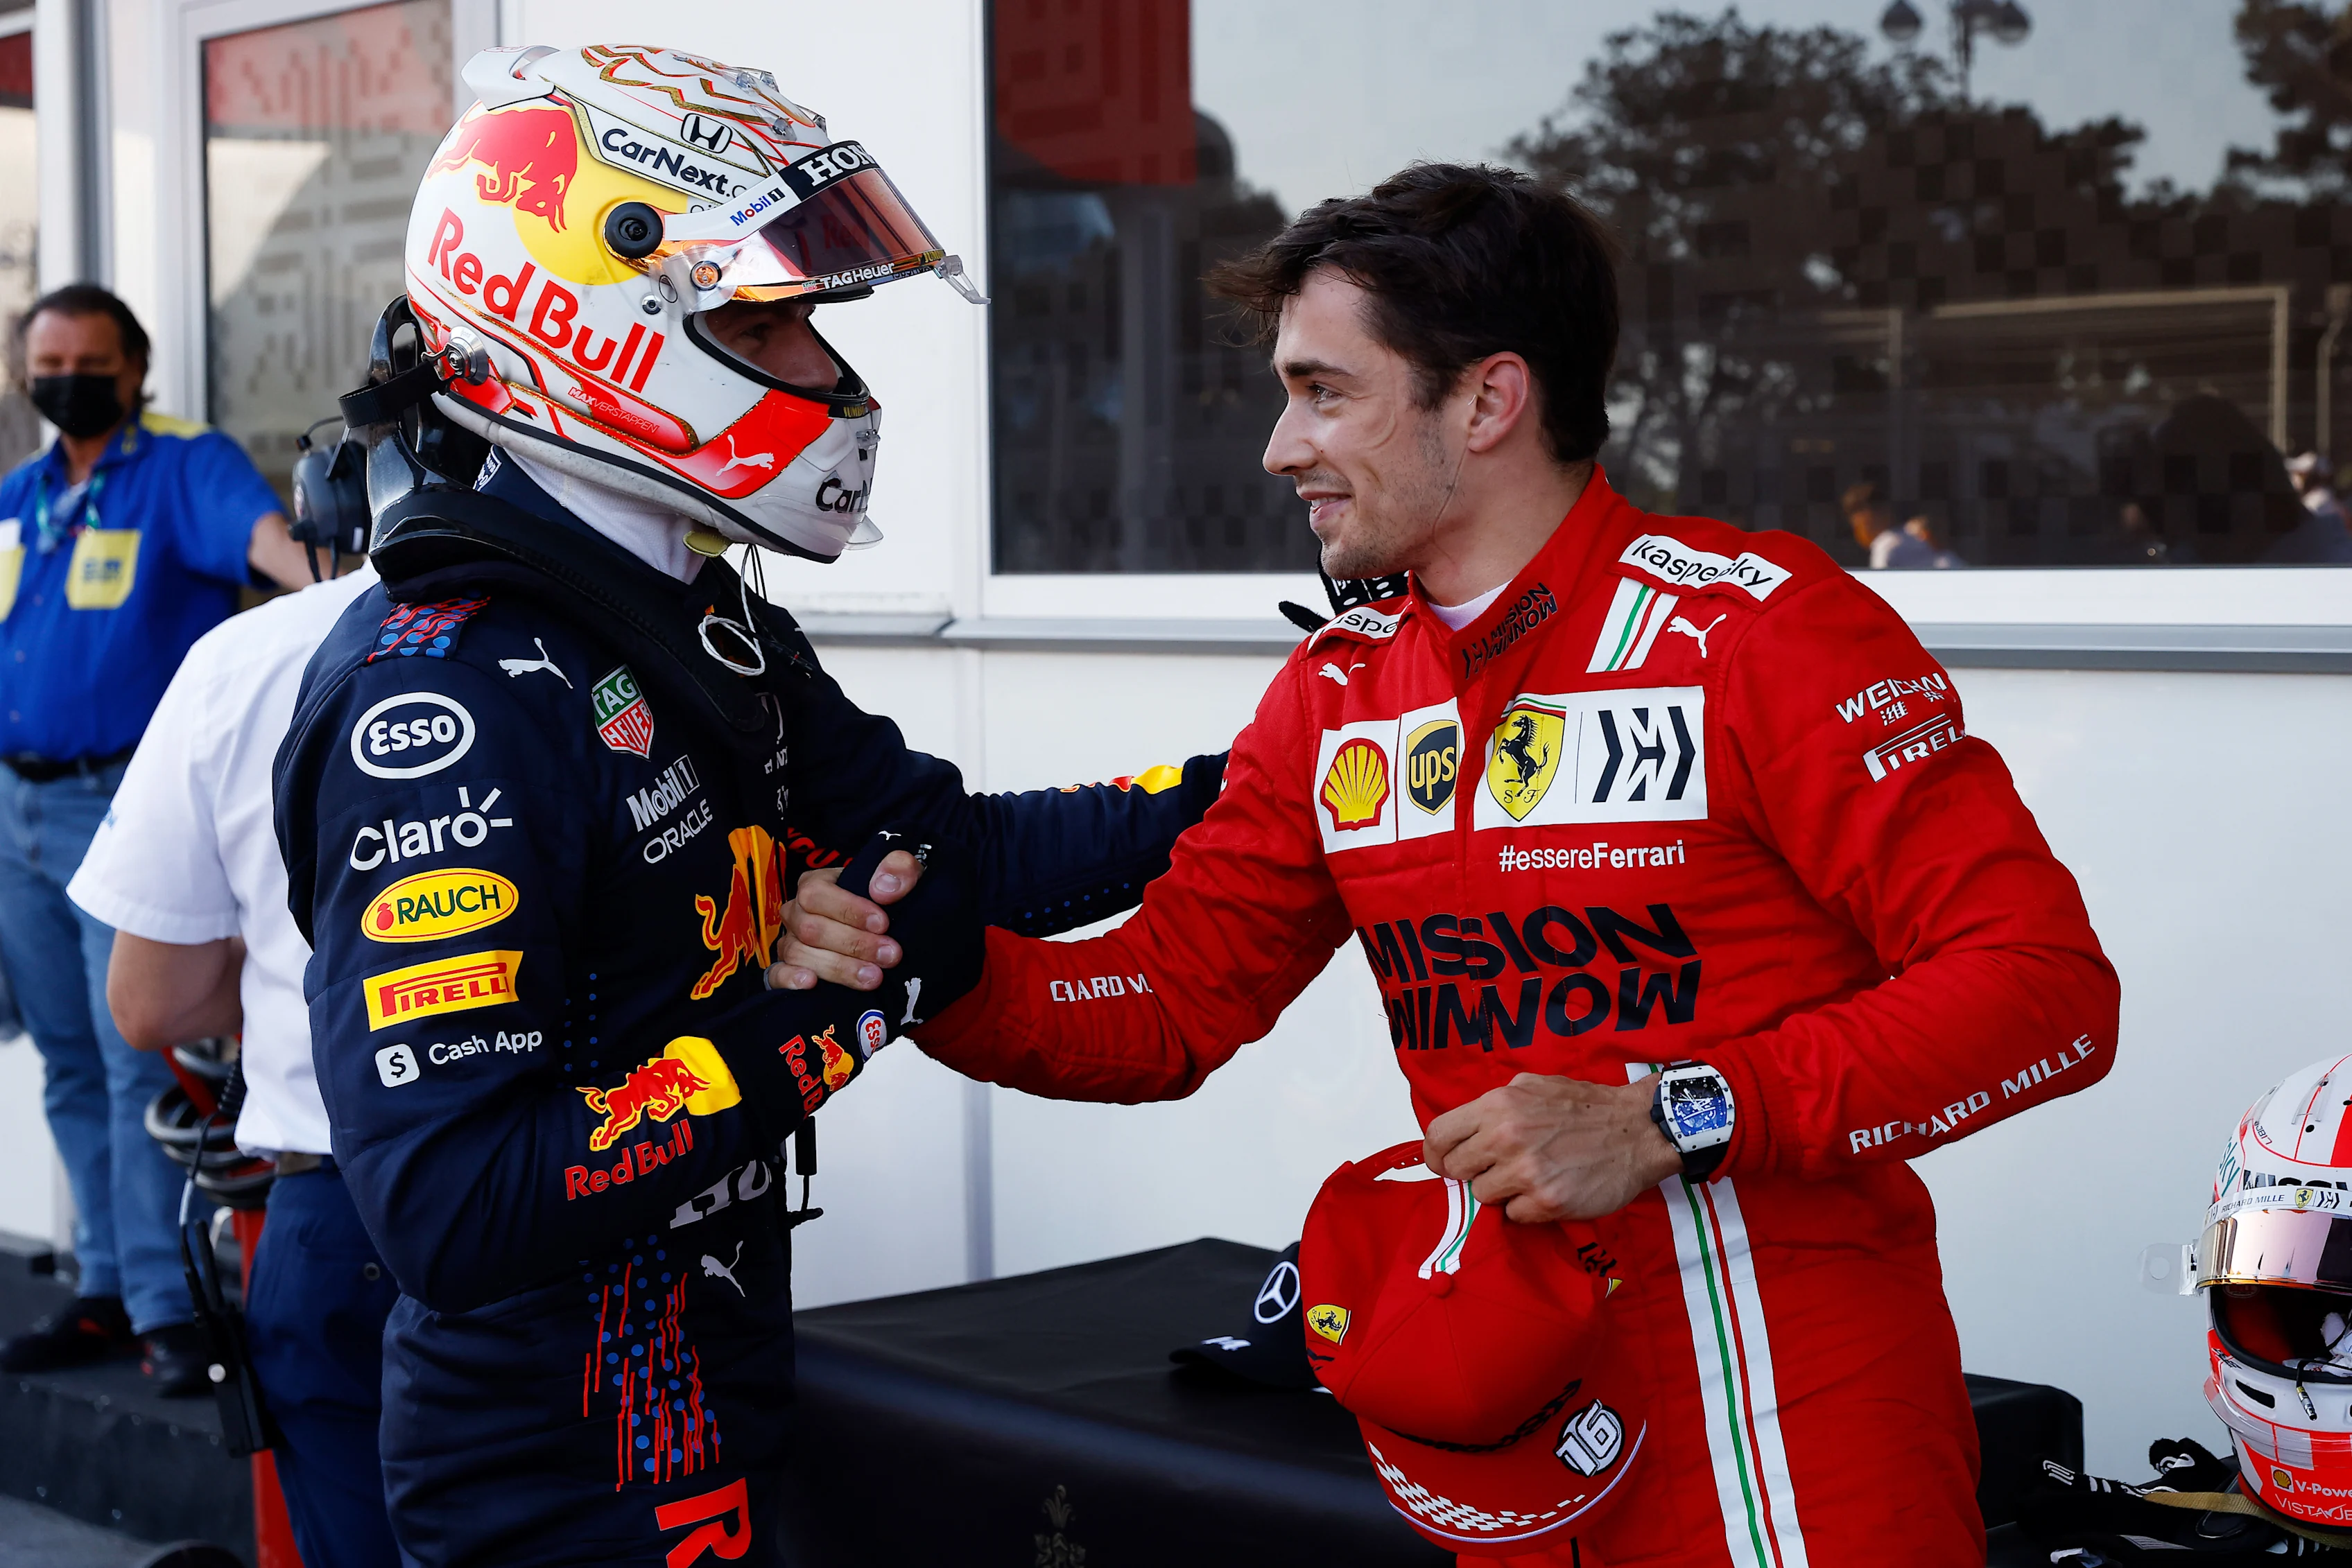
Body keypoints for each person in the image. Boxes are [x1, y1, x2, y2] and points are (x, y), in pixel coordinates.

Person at [806, 164, 2120, 1565]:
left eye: (1324, 392)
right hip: (1502, 1436)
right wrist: (921, 969)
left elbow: (2044, 992)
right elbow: (1164, 1004)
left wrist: (1668, 1114)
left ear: (1487, 402)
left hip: (1793, 1434)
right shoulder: (1336, 693)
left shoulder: (1761, 634)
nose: (1276, 447)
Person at [273, 44, 1222, 1567]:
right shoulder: (443, 707)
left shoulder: (698, 616)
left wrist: (1271, 782)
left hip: (718, 1370)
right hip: (555, 1458)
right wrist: (827, 1016)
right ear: (598, 326)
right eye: (766, 320)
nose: (829, 381)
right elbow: (450, 1212)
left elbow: (949, 848)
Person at [0, 284, 315, 1393]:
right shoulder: (23, 493)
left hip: (120, 807)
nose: (68, 377)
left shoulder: (184, 464)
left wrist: (361, 597)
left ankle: (171, 1304)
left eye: (92, 360)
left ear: (135, 372)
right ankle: (105, 1288)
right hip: (15, 808)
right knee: (69, 1063)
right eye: (49, 361)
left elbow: (277, 548)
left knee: (147, 1051)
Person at [68, 552, 399, 1567]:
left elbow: (148, 1002)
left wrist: (304, 994)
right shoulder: (676, 629)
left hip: (341, 1209)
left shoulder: (248, 656)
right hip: (619, 1196)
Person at [1842, 479, 1962, 568]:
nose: (1858, 530)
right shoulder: (1918, 535)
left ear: (1869, 515)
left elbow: (1880, 594)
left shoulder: (1885, 546)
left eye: (1857, 522)